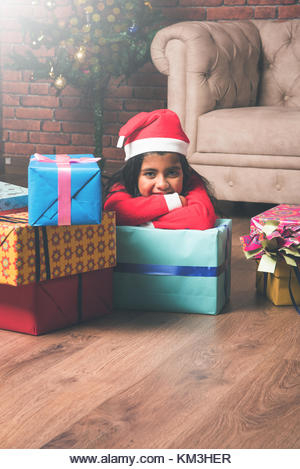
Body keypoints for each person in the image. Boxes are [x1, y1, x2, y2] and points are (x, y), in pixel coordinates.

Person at [104, 109, 216, 230]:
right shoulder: (123, 183)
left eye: (172, 173)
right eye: (150, 174)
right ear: (133, 174)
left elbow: (202, 219)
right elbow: (115, 214)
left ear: (183, 172)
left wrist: (142, 222)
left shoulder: (190, 180)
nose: (162, 184)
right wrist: (174, 201)